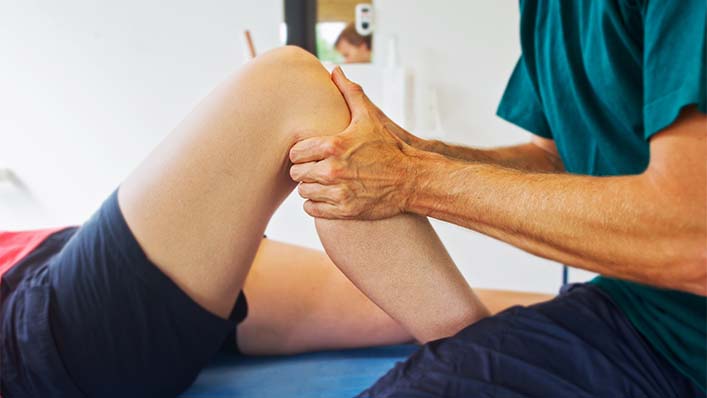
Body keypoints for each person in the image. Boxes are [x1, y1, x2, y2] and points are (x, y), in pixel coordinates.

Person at [0, 45, 550, 397]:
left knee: (505, 313)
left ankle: (589, 329)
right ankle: (498, 379)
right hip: (31, 330)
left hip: (53, 263)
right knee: (288, 87)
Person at [290, 1, 707, 397]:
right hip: (640, 313)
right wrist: (411, 152)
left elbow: (691, 239)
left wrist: (410, 177)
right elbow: (553, 157)